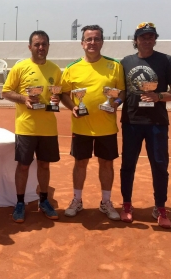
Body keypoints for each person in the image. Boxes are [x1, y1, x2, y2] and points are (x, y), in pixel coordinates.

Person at [119, 22, 171, 229]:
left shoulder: (166, 61)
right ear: (135, 40)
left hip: (157, 123)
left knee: (160, 165)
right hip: (131, 121)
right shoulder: (125, 62)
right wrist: (111, 103)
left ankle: (160, 207)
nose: (147, 40)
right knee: (128, 165)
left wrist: (158, 96)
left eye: (150, 36)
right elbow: (121, 92)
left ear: (155, 39)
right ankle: (127, 204)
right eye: (143, 37)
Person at [60, 25, 125, 221]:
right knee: (80, 163)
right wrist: (72, 106)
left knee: (106, 164)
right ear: (82, 43)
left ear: (102, 42)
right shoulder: (72, 68)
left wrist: (116, 104)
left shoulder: (115, 66)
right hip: (81, 127)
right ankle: (77, 200)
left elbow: (122, 92)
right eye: (88, 39)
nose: (92, 43)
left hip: (106, 127)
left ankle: (106, 202)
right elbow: (63, 93)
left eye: (96, 39)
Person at [1, 30, 62, 223]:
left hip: (48, 128)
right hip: (26, 127)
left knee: (44, 165)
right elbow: (6, 92)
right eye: (37, 44)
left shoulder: (55, 70)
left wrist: (56, 98)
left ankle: (43, 200)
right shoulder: (20, 68)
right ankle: (20, 203)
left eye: (44, 44)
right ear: (30, 47)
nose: (41, 48)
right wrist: (23, 98)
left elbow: (58, 95)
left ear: (48, 46)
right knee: (24, 166)